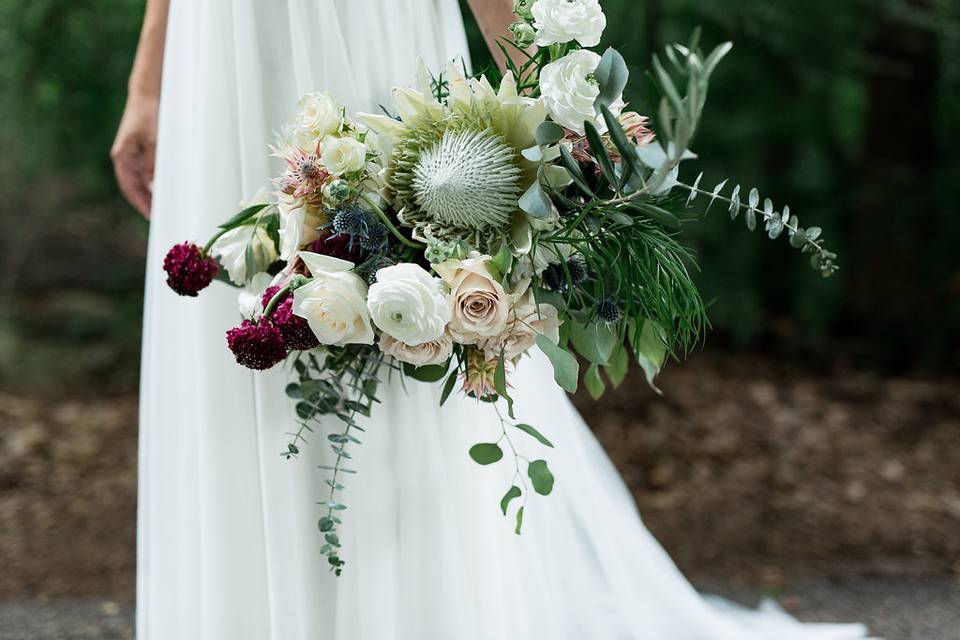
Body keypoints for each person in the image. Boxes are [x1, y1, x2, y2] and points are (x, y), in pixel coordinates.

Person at [113, 1, 870, 638]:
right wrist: (151, 76)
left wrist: (555, 104)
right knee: (241, 323)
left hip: (361, 37)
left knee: (398, 325)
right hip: (220, 44)